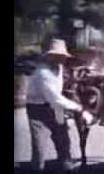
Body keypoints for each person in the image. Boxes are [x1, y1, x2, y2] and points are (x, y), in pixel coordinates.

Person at [26, 39, 93, 171]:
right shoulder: (42, 73)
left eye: (63, 56)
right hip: (37, 110)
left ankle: (67, 167)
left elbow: (59, 91)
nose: (62, 58)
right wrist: (80, 109)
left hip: (55, 108)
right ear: (50, 56)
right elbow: (55, 98)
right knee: (39, 149)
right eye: (58, 56)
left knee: (63, 142)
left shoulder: (59, 67)